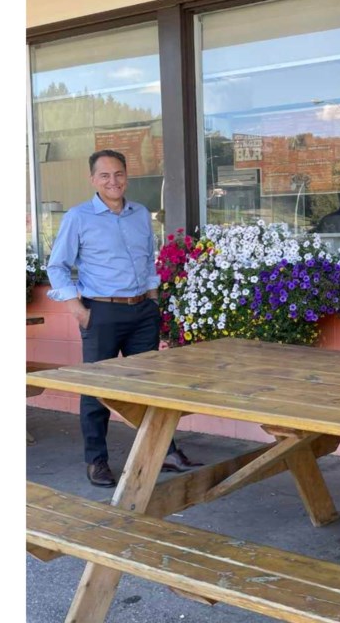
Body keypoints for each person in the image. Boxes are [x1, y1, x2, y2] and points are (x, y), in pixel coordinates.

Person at [47, 149, 201, 488]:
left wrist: (152, 299)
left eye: (118, 174)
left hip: (142, 311)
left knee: (149, 387)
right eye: (104, 176)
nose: (112, 181)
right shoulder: (79, 217)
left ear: (126, 176)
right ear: (93, 180)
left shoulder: (140, 213)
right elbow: (56, 266)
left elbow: (148, 260)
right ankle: (96, 461)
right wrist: (77, 309)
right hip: (101, 312)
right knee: (97, 390)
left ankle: (164, 452)